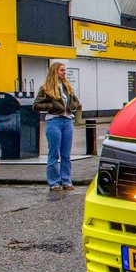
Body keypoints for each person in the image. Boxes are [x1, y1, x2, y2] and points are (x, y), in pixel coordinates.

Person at [33, 62, 83, 192]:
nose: (64, 72)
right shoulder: (45, 89)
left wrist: (72, 106)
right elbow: (36, 105)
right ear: (55, 71)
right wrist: (52, 106)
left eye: (65, 70)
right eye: (61, 70)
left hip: (67, 122)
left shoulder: (68, 87)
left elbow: (76, 101)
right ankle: (54, 182)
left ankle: (66, 181)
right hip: (54, 121)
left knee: (66, 154)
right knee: (54, 153)